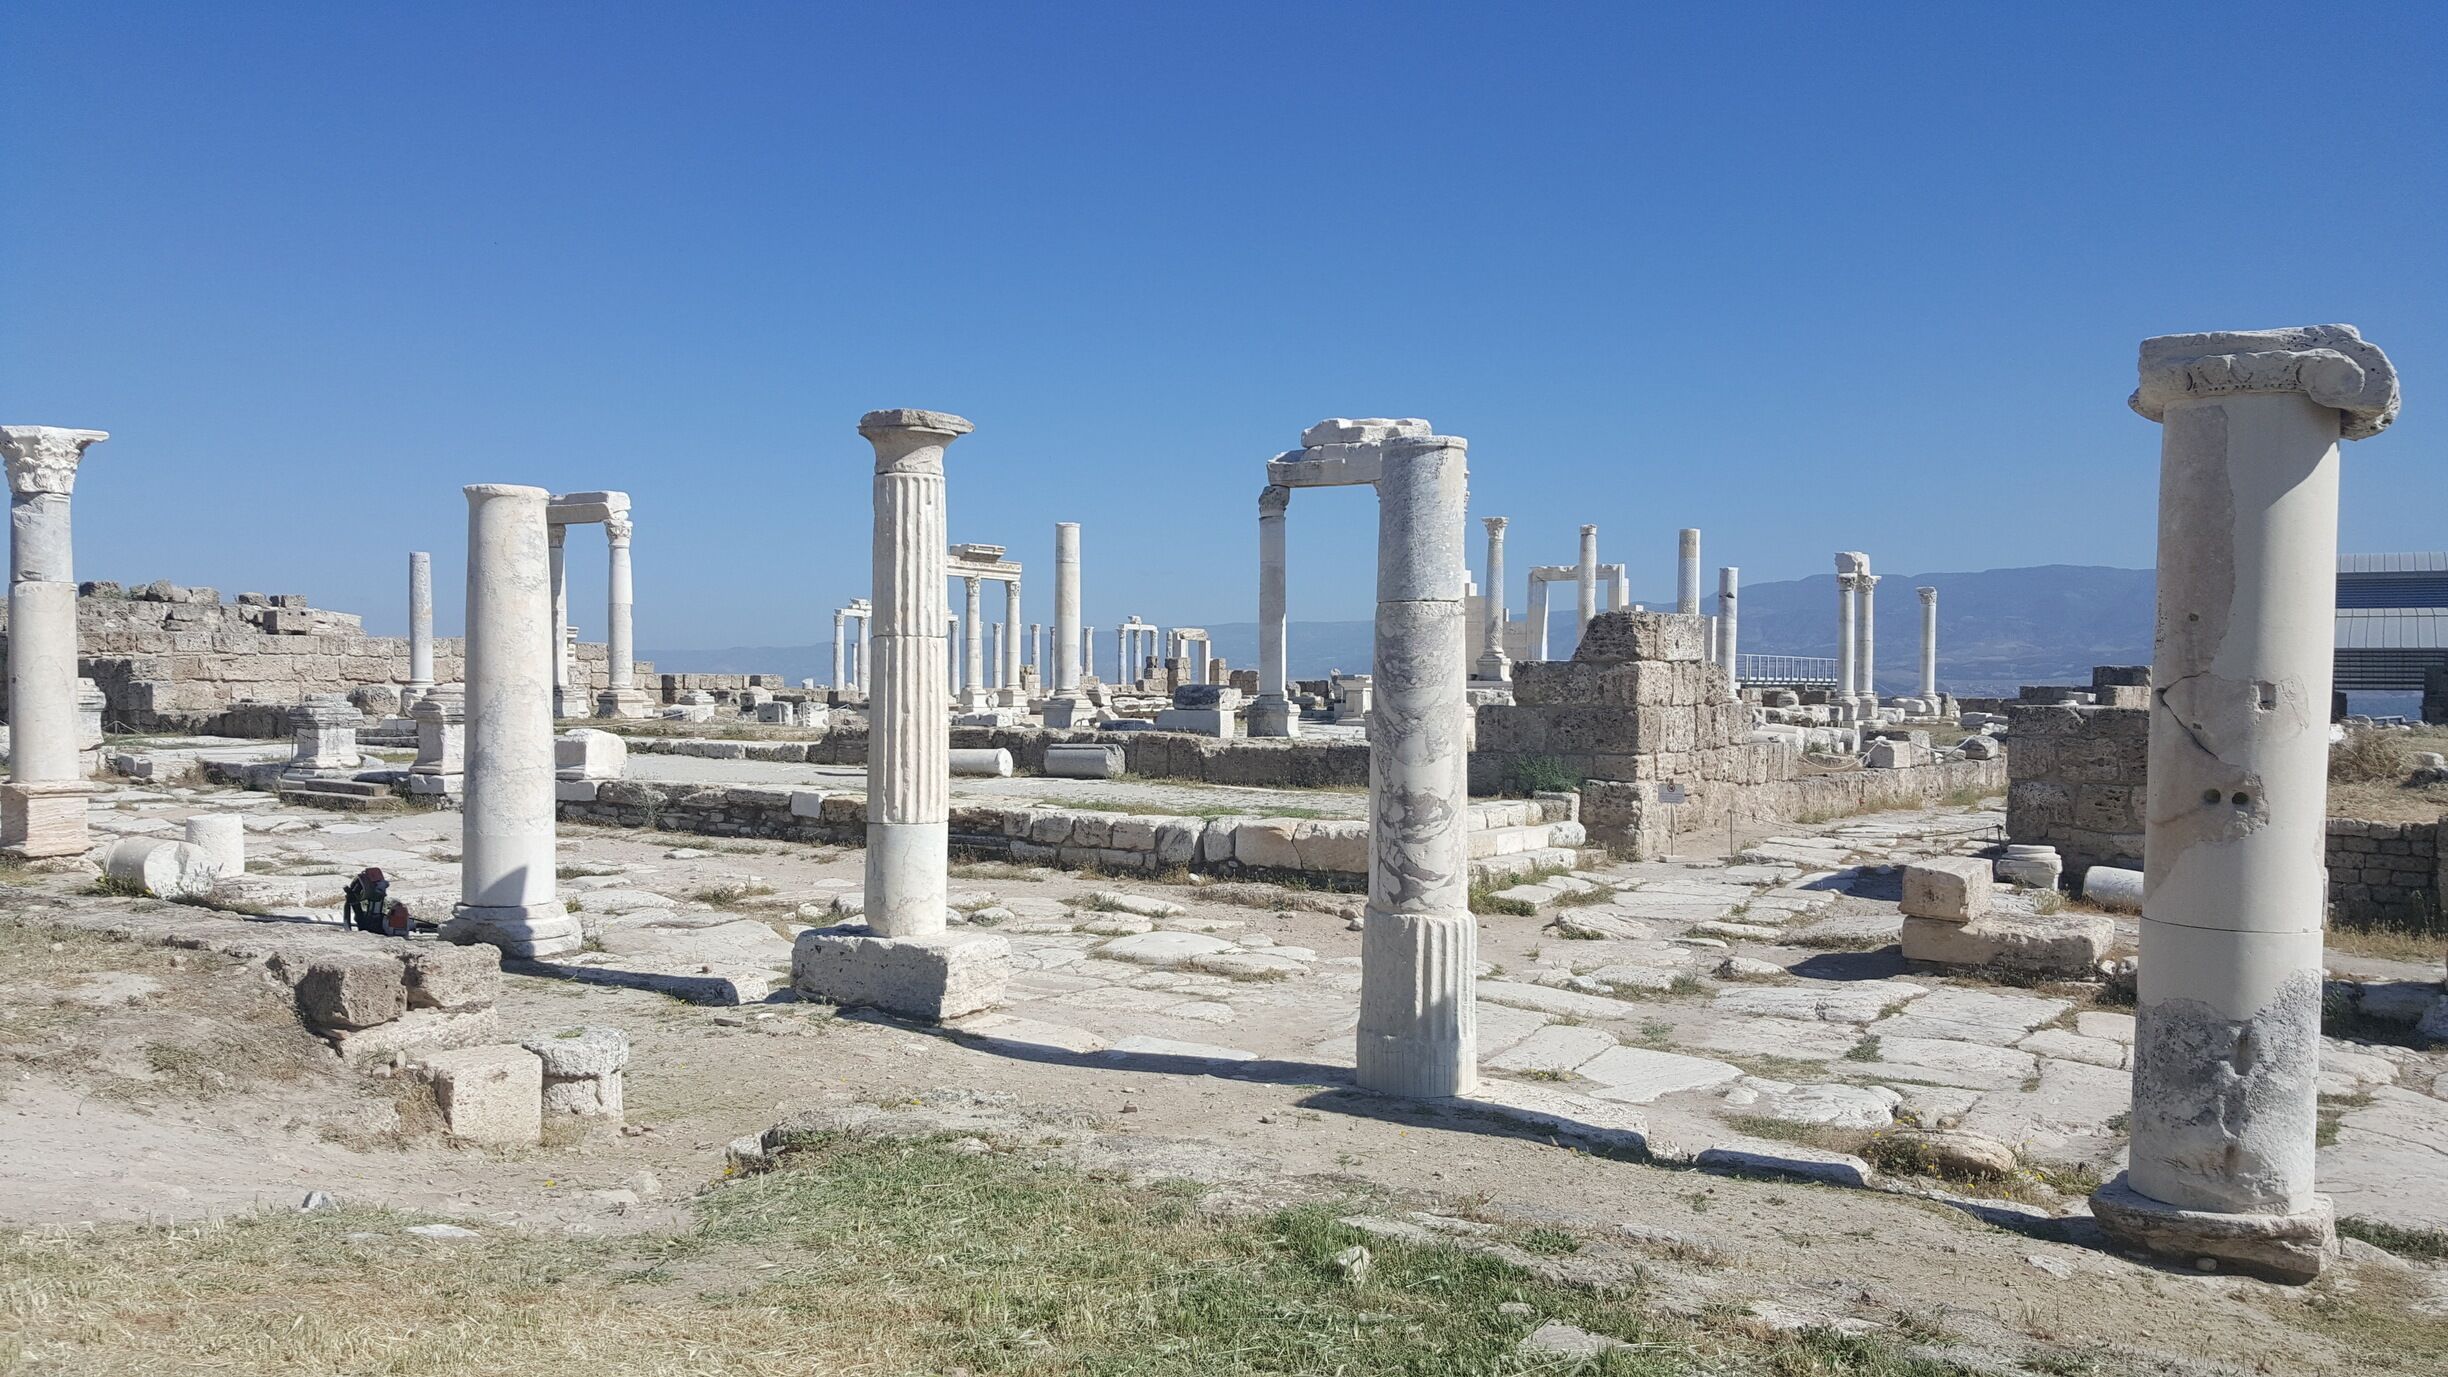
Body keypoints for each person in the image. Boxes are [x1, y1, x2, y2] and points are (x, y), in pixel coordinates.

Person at [342, 867, 391, 935]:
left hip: (371, 922)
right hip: (371, 922)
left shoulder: (375, 886)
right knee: (365, 920)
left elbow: (354, 890)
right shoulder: (378, 885)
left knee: (365, 920)